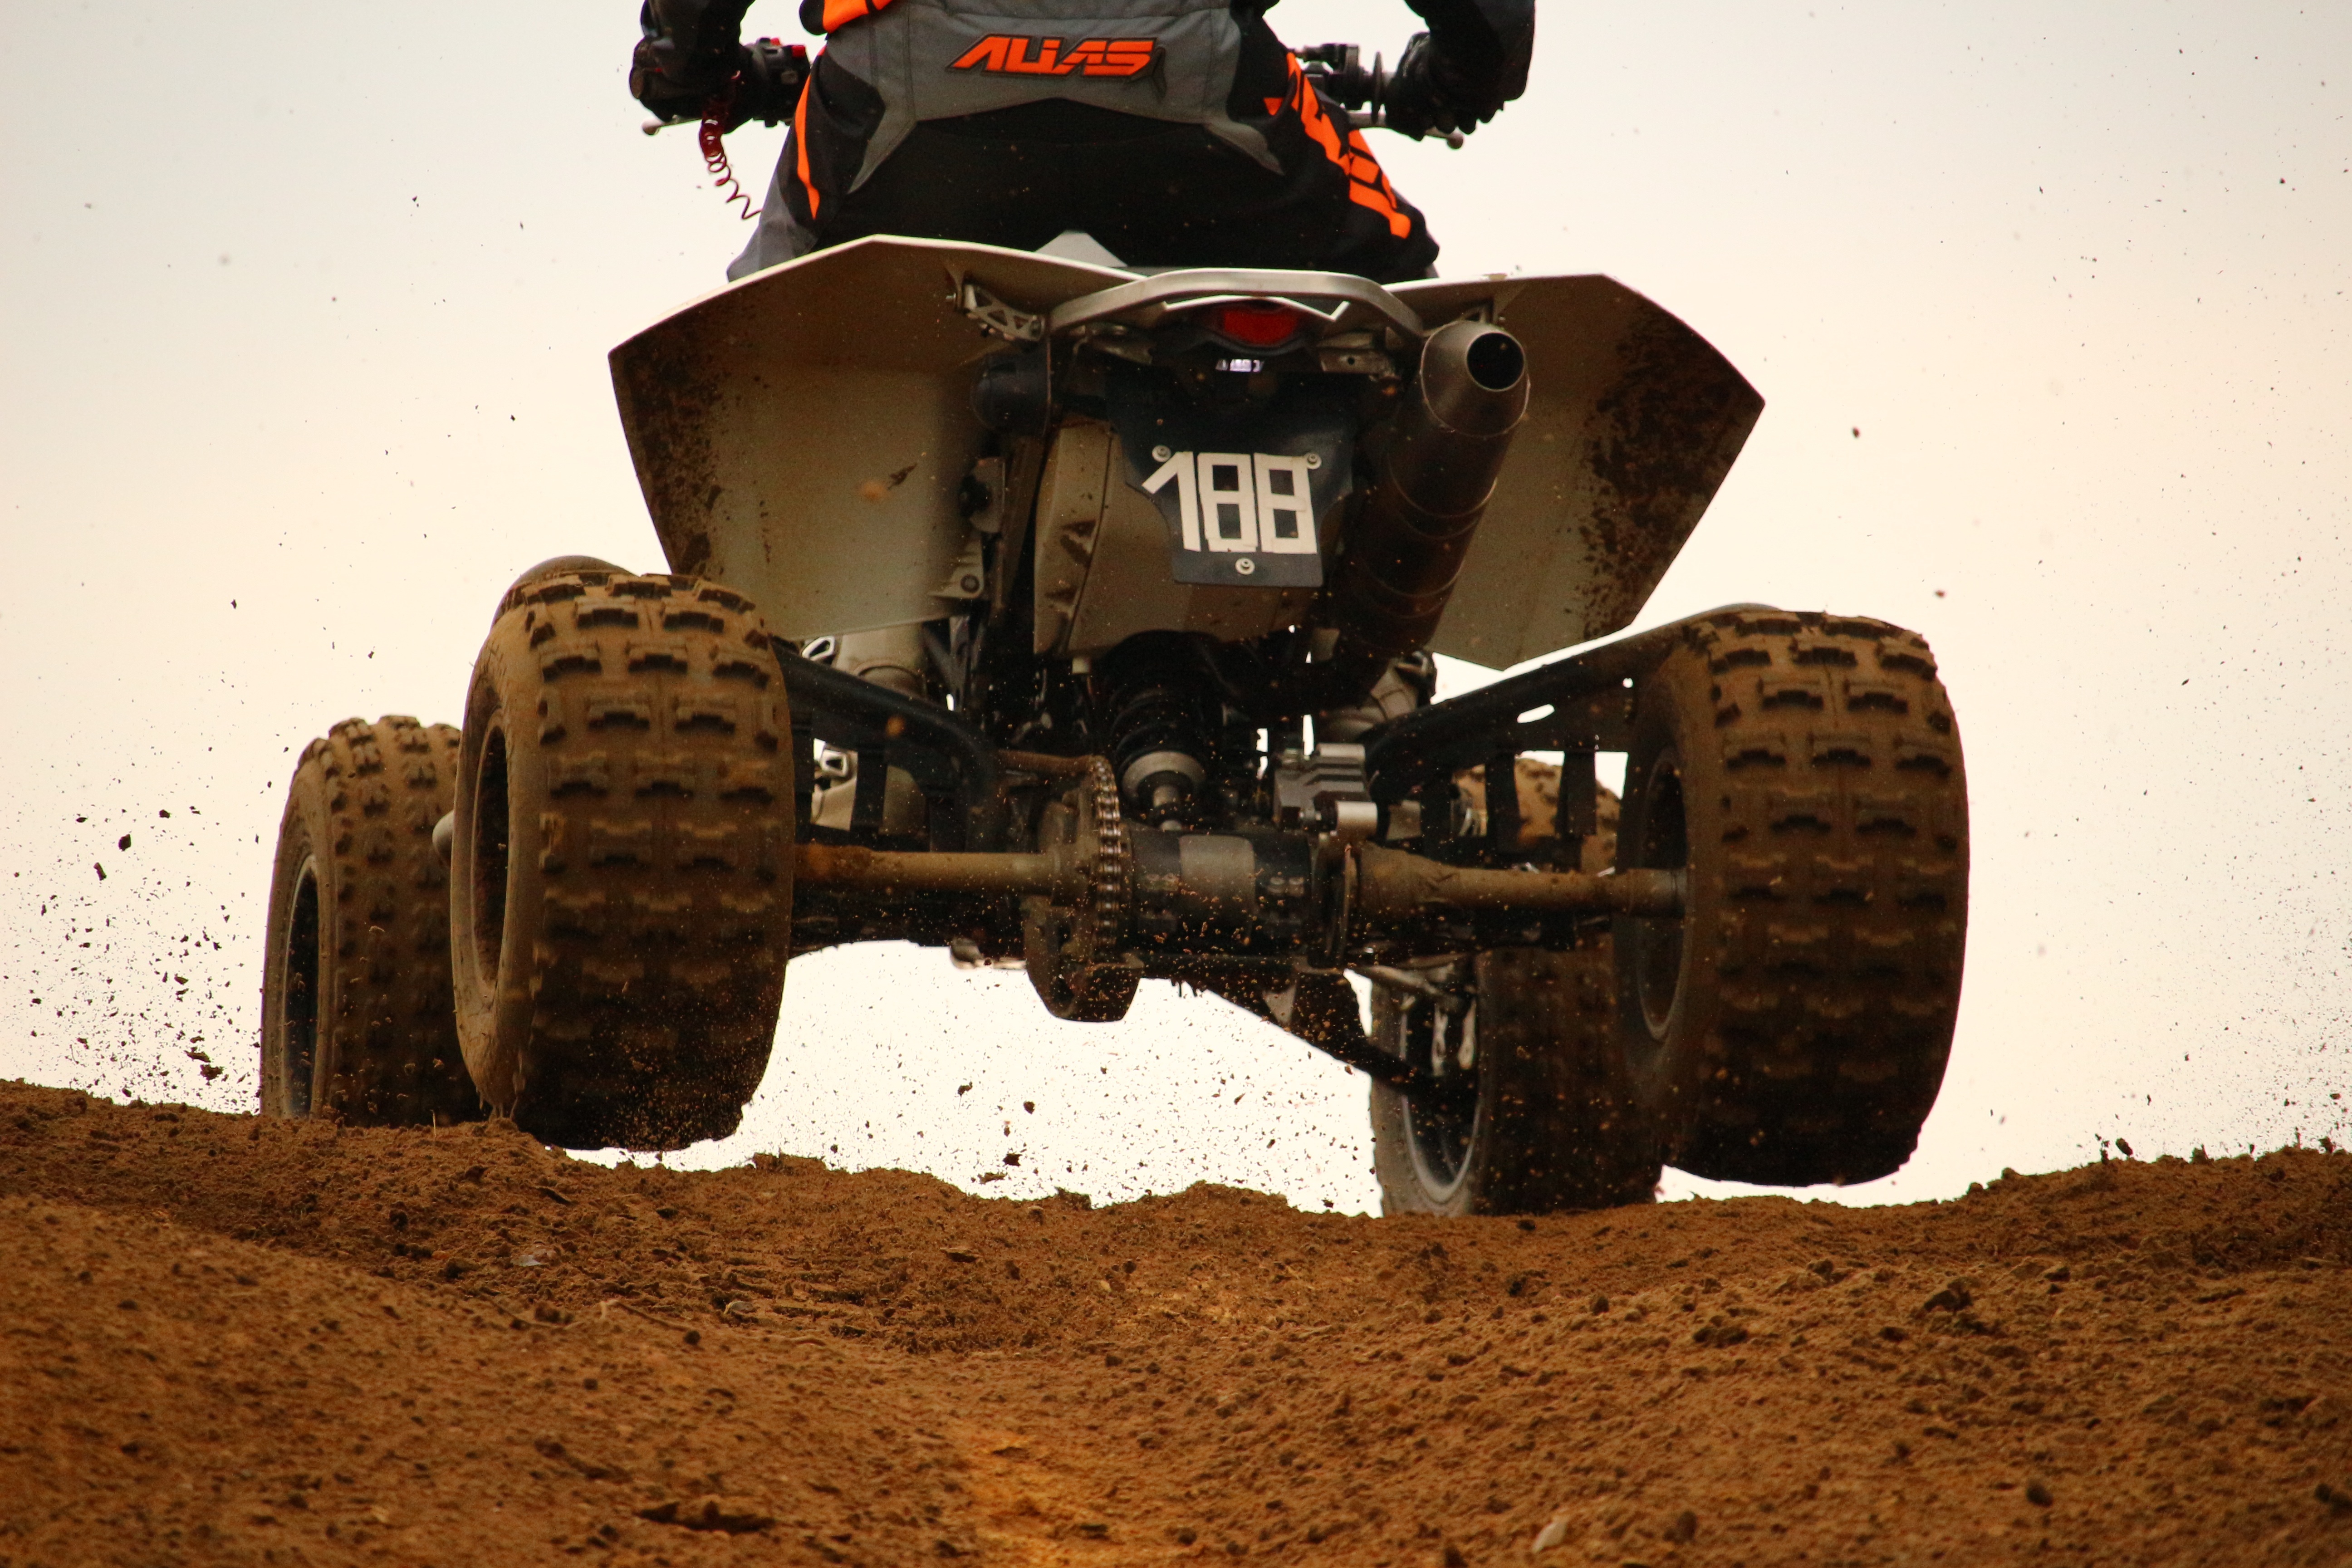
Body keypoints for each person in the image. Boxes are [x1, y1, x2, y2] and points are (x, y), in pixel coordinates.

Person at [629, 0, 1532, 285]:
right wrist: (1460, 76)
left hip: (903, 102)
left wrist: (691, 74)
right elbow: (1491, 15)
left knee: (779, 321)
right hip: (1201, 90)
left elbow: (691, 25)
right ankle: (1378, 642)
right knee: (1393, 301)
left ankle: (774, 622)